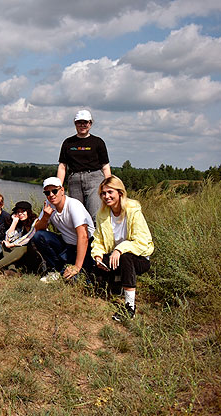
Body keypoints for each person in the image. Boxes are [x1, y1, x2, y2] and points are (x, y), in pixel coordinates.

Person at [91, 176, 154, 321]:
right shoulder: (102, 214)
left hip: (139, 259)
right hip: (115, 256)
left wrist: (119, 249)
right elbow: (98, 240)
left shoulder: (133, 210)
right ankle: (117, 283)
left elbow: (143, 241)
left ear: (120, 193)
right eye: (103, 193)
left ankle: (129, 307)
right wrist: (98, 256)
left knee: (126, 257)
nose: (106, 196)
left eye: (110, 192)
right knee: (96, 270)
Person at [32, 177, 95, 282]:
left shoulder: (73, 205)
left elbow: (83, 236)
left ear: (62, 190)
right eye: (47, 193)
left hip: (87, 246)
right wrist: (45, 217)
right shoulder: (48, 205)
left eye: (54, 191)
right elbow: (37, 229)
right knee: (39, 236)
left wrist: (77, 267)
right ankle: (56, 269)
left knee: (78, 279)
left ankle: (72, 270)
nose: (51, 195)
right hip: (68, 245)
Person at [57, 110, 111, 221]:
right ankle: (80, 238)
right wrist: (58, 186)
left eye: (85, 122)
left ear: (90, 123)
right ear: (75, 123)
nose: (82, 125)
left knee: (95, 213)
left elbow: (105, 166)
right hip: (74, 180)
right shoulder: (68, 143)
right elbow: (62, 166)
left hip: (94, 179)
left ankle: (96, 238)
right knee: (76, 215)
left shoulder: (98, 142)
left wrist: (109, 185)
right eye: (79, 122)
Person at [0, 201, 40, 274]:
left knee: (23, 247)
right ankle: (12, 270)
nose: (20, 214)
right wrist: (14, 222)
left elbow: (28, 238)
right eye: (18, 212)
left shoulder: (36, 222)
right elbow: (8, 239)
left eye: (23, 211)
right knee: (4, 244)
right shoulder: (22, 225)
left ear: (28, 212)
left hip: (37, 254)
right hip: (24, 255)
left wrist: (12, 245)